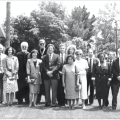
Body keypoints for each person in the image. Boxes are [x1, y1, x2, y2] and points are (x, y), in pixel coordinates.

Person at [36, 39, 47, 104]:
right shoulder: (37, 52)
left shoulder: (47, 51)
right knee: (39, 85)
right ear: (39, 44)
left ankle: (47, 99)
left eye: (43, 44)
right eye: (40, 44)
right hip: (38, 70)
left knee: (46, 85)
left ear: (45, 44)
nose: (42, 45)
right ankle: (38, 99)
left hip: (45, 70)